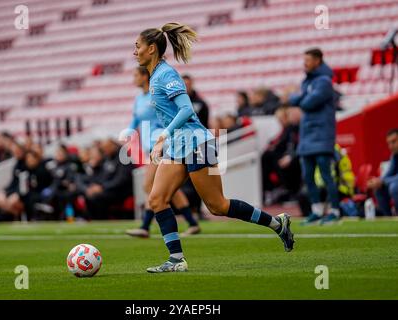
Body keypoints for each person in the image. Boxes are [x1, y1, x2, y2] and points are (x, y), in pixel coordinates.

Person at [133, 22, 294, 273]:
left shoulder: (166, 75)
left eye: (138, 46)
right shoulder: (155, 77)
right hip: (178, 146)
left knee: (217, 206)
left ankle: (277, 223)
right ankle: (176, 260)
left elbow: (187, 109)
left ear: (151, 48)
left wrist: (163, 135)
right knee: (156, 199)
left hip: (198, 143)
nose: (135, 52)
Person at [124, 67, 200, 237]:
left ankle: (145, 225)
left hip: (161, 142)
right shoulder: (139, 99)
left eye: (136, 75)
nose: (133, 79)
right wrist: (127, 132)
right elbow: (135, 119)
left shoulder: (155, 95)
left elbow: (168, 114)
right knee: (167, 187)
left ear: (145, 77)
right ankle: (192, 222)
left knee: (149, 185)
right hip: (149, 145)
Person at [288, 48, 340, 225]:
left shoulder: (324, 81)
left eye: (308, 60)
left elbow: (308, 102)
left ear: (318, 60)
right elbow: (296, 100)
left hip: (322, 133)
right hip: (307, 134)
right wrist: (301, 98)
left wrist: (300, 98)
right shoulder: (307, 82)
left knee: (326, 174)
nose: (305, 64)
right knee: (308, 175)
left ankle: (334, 211)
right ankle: (316, 211)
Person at [84, 139, 134, 219]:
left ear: (113, 146)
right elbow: (103, 176)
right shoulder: (108, 158)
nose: (104, 151)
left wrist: (102, 187)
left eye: (105, 148)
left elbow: (122, 179)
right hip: (108, 188)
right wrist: (96, 186)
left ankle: (101, 220)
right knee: (89, 195)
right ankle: (94, 221)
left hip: (121, 190)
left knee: (97, 198)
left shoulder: (124, 156)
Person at [367, 128, 398, 216]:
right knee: (378, 188)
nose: (391, 146)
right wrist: (377, 181)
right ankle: (388, 218)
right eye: (389, 143)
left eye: (394, 141)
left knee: (394, 187)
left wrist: (382, 181)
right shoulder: (394, 155)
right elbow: (389, 173)